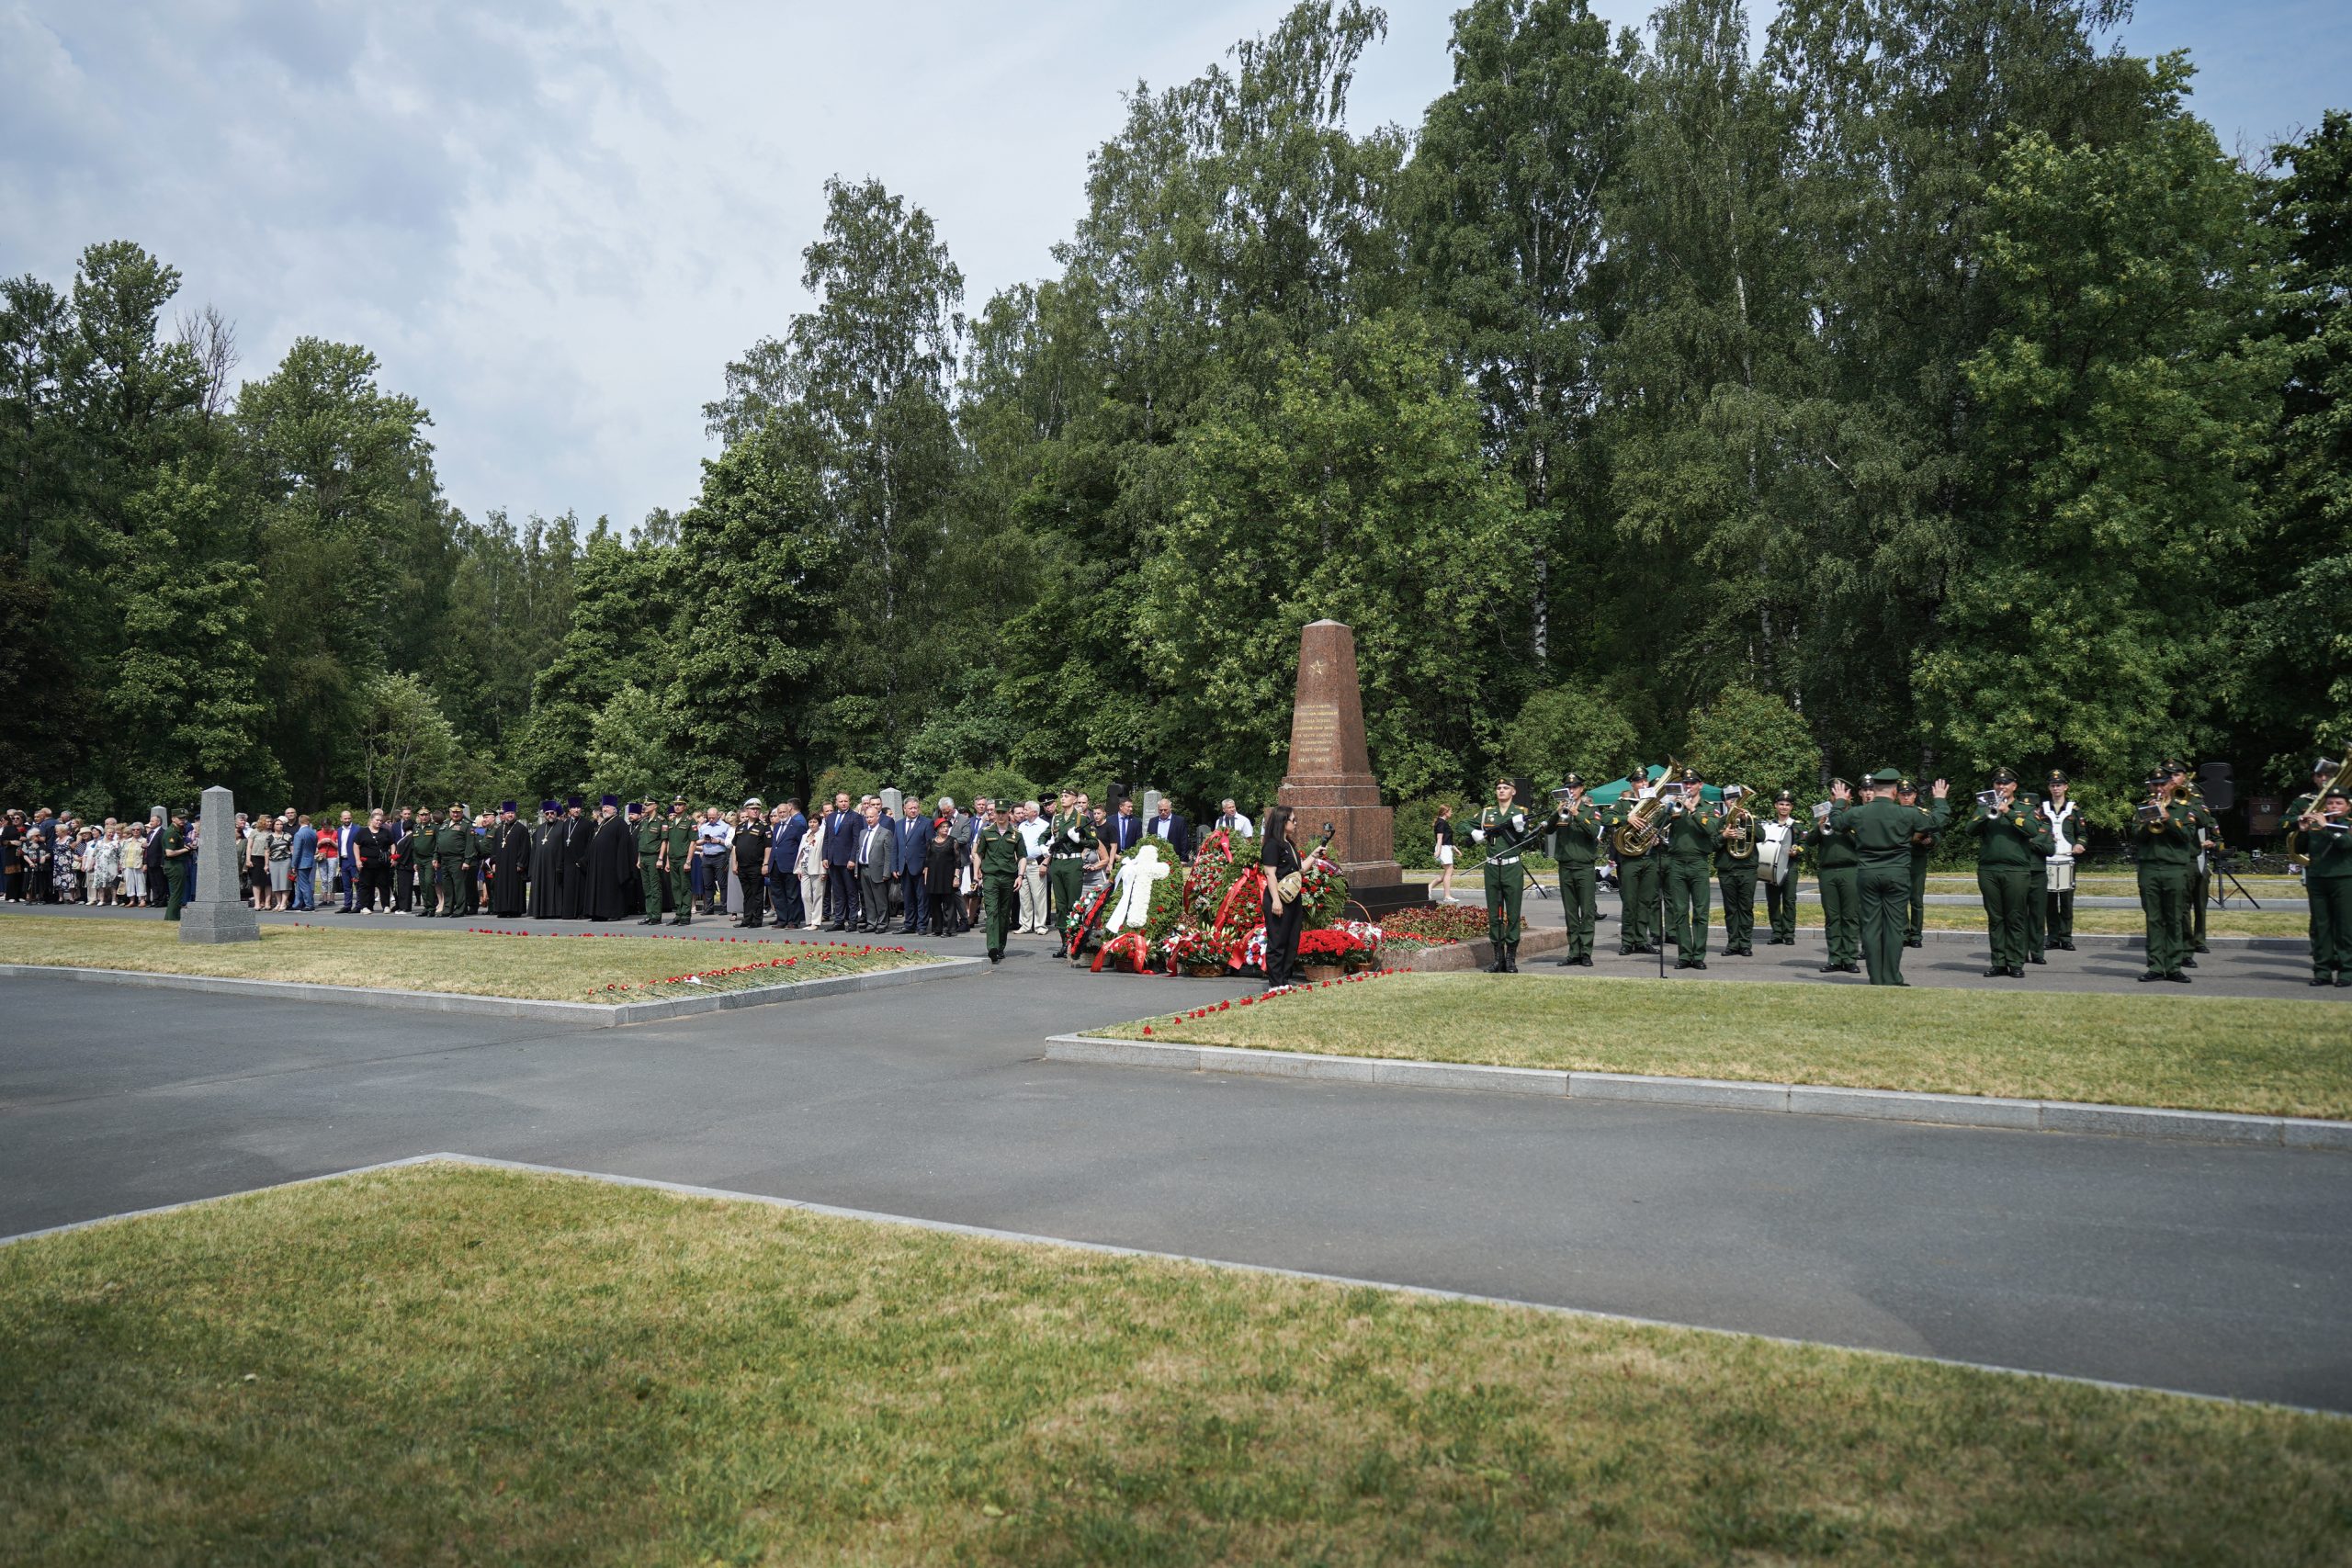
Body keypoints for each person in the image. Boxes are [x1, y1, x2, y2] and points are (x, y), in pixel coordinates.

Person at [1831, 769, 1951, 986]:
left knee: (1870, 926)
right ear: (1895, 791)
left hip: (1867, 874)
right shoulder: (1906, 813)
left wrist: (1840, 801)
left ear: (1874, 790)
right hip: (1897, 874)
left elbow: (1837, 824)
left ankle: (1876, 978)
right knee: (1895, 927)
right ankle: (1892, 977)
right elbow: (1937, 821)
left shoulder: (1859, 812)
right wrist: (1940, 800)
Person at [1967, 768, 2052, 978]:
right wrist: (1989, 813)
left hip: (2016, 870)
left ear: (2014, 786)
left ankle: (2015, 962)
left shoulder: (2025, 808)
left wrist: (2008, 812)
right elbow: (1970, 830)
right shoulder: (1983, 807)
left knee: (2015, 917)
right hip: (1989, 869)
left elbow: (2032, 830)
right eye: (1997, 783)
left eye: (2005, 783)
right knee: (1995, 918)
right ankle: (1999, 962)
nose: (2001, 786)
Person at [2129, 771, 2198, 983]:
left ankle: (2174, 966)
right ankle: (2156, 966)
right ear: (2150, 787)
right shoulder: (2143, 807)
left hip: (2175, 868)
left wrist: (2168, 820)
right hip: (2149, 868)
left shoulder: (2183, 808)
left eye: (2163, 785)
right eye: (2155, 785)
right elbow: (2136, 837)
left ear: (2170, 784)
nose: (2159, 789)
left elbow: (2187, 836)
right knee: (2154, 919)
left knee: (2175, 918)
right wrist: (2150, 820)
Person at [2290, 778, 2351, 986]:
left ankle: (2346, 972)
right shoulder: (2316, 825)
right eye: (2330, 803)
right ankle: (2322, 971)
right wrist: (2303, 830)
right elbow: (2298, 849)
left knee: (2344, 928)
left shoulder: (2348, 825)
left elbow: (2344, 844)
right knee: (2320, 927)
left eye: (2338, 803)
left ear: (2348, 806)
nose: (2333, 806)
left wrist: (2326, 827)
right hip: (2317, 880)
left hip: (2343, 879)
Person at [1657, 768, 1722, 970]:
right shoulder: (1675, 806)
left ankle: (1698, 955)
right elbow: (1656, 825)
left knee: (1701, 912)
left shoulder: (1709, 808)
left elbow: (1712, 829)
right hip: (1676, 863)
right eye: (1686, 783)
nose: (1688, 786)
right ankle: (1684, 955)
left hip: (1698, 863)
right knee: (1680, 912)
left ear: (1700, 785)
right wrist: (1667, 808)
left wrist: (1692, 810)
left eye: (1692, 783)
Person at [1470, 778, 1532, 973]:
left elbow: (1528, 840)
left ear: (1513, 792)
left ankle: (1511, 959)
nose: (1501, 791)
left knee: (1513, 914)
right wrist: (1474, 832)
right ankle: (1498, 959)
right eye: (1498, 788)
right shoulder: (1487, 812)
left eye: (1506, 788)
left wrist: (1521, 829)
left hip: (1512, 868)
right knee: (1494, 915)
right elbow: (1464, 824)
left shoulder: (1521, 812)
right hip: (1491, 868)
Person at [1605, 765, 1661, 955]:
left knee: (1646, 901)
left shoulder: (1655, 803)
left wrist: (1658, 835)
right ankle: (1627, 941)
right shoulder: (1623, 803)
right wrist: (1626, 818)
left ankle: (1642, 940)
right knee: (1630, 902)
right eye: (1638, 781)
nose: (1643, 783)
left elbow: (1664, 823)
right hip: (1629, 859)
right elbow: (1606, 818)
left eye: (1645, 780)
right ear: (1632, 784)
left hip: (1650, 858)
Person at [1546, 776, 1602, 966]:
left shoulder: (1590, 810)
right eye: (1568, 787)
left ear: (1582, 789)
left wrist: (1577, 813)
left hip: (1584, 867)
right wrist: (1557, 812)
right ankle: (1573, 952)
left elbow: (1594, 832)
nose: (1572, 790)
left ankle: (1586, 952)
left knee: (1587, 912)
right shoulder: (1561, 810)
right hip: (1565, 866)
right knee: (1570, 912)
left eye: (1575, 787)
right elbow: (1547, 830)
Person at [1259, 806, 1304, 990]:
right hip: (1278, 899)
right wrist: (1276, 901)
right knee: (1277, 941)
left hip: (1293, 898)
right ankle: (1275, 984)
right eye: (1293, 820)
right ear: (1283, 822)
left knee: (1292, 941)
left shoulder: (1290, 845)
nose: (1295, 823)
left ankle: (1284, 980)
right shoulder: (1272, 845)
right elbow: (1270, 874)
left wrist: (1315, 855)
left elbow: (1299, 871)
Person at [1713, 784, 1758, 958]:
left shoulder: (1750, 817)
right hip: (1726, 869)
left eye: (1735, 799)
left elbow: (1761, 836)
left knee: (1746, 908)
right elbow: (1711, 845)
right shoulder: (1719, 821)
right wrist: (1724, 836)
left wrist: (1748, 820)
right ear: (1724, 802)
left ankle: (1745, 944)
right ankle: (1733, 943)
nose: (1732, 802)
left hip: (1747, 869)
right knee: (1730, 909)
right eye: (1729, 799)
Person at [2038, 772, 2083, 950]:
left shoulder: (2074, 809)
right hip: (2048, 859)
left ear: (2066, 787)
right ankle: (2053, 937)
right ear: (2049, 788)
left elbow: (2083, 834)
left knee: (2066, 902)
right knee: (2049, 902)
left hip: (2066, 858)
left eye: (2059, 785)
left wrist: (2080, 844)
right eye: (2052, 785)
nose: (2056, 788)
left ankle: (2066, 937)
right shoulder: (2041, 808)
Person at [976, 802, 1023, 963]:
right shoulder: (986, 832)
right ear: (994, 813)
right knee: (991, 911)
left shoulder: (1016, 834)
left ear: (1009, 813)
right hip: (991, 877)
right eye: (998, 812)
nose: (1001, 815)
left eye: (1004, 812)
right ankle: (992, 947)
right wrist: (977, 871)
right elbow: (979, 853)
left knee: (1004, 913)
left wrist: (1020, 876)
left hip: (1009, 877)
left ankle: (1001, 946)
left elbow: (1022, 856)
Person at [1046, 793, 1090, 932]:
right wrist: (1044, 846)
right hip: (1057, 863)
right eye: (1062, 796)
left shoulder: (1081, 819)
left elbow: (1094, 842)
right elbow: (1045, 836)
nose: (1062, 798)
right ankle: (1064, 941)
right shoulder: (1056, 819)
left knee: (1073, 904)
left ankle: (1074, 938)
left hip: (1073, 863)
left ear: (1075, 799)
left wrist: (1079, 840)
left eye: (1066, 796)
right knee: (1060, 904)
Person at [853, 799, 893, 932]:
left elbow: (888, 855)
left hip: (878, 870)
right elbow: (859, 851)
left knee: (880, 899)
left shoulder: (885, 832)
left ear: (877, 817)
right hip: (864, 868)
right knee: (868, 899)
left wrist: (886, 872)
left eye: (871, 817)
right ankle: (871, 922)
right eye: (867, 817)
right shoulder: (863, 832)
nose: (869, 819)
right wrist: (857, 870)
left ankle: (882, 924)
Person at [821, 792, 859, 931]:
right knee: (837, 893)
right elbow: (827, 838)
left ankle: (853, 921)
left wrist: (852, 859)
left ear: (849, 802)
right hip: (833, 860)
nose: (844, 803)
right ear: (836, 802)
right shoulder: (830, 817)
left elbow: (856, 840)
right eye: (841, 801)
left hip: (847, 860)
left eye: (846, 801)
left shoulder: (855, 817)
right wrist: (825, 857)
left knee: (851, 892)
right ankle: (839, 921)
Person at [766, 798, 805, 928]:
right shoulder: (777, 826)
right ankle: (782, 919)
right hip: (775, 864)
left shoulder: (797, 825)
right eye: (780, 813)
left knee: (792, 894)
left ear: (789, 810)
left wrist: (800, 865)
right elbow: (775, 845)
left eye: (784, 812)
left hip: (790, 865)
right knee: (778, 894)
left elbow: (801, 846)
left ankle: (793, 921)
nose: (782, 814)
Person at [895, 796, 931, 934]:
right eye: (910, 808)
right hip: (903, 867)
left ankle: (922, 925)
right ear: (904, 809)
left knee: (922, 897)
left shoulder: (926, 823)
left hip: (920, 867)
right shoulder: (898, 824)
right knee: (908, 897)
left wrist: (927, 866)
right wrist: (895, 866)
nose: (913, 810)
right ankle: (909, 924)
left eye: (915, 808)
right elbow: (895, 847)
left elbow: (930, 847)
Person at [1014, 800, 1050, 934]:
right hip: (1022, 864)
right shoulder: (1022, 826)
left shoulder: (1044, 825)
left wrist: (1045, 863)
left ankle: (1040, 926)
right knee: (1024, 896)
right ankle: (1025, 924)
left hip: (1037, 863)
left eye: (1026, 809)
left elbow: (1050, 847)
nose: (1023, 811)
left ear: (1034, 812)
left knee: (1038, 896)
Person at [923, 816, 960, 936]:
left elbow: (957, 861)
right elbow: (927, 861)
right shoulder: (931, 842)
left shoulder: (952, 841)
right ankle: (936, 929)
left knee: (948, 904)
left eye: (947, 827)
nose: (945, 829)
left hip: (947, 876)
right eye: (942, 827)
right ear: (937, 829)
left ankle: (948, 929)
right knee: (935, 904)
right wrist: (926, 879)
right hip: (933, 877)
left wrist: (956, 877)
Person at [351, 808, 390, 913]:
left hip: (382, 863)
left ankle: (386, 905)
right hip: (367, 863)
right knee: (366, 885)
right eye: (377, 820)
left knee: (384, 885)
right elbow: (356, 845)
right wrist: (357, 860)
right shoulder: (363, 832)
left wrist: (392, 856)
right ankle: (365, 906)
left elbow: (392, 843)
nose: (379, 822)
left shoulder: (385, 831)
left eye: (380, 821)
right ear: (372, 820)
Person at [794, 810, 826, 931]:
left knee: (817, 895)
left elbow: (823, 854)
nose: (812, 824)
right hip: (805, 868)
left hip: (817, 868)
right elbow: (800, 854)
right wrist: (799, 869)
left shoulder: (822, 835)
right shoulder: (805, 836)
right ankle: (809, 920)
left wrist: (824, 871)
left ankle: (816, 922)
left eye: (815, 822)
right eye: (810, 822)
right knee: (805, 895)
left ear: (819, 823)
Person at [160, 809, 191, 919]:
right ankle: (171, 918)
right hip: (174, 865)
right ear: (173, 818)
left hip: (177, 864)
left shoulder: (178, 830)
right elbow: (170, 852)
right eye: (180, 818)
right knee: (176, 894)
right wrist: (186, 849)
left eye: (184, 818)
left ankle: (174, 917)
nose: (183, 820)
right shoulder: (172, 832)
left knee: (178, 893)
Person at [1147, 797, 1191, 862]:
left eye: (1165, 810)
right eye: (1161, 810)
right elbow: (1149, 839)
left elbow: (1184, 841)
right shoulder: (1152, 821)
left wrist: (1183, 859)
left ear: (1170, 809)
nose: (1163, 812)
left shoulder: (1179, 821)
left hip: (1174, 858)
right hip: (1156, 859)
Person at [1431, 805, 1460, 903]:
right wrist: (1438, 851)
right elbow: (1439, 838)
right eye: (1450, 811)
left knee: (1449, 872)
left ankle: (1429, 886)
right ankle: (1447, 896)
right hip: (1443, 848)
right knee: (1449, 872)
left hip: (1446, 847)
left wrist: (1455, 848)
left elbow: (1447, 839)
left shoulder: (1443, 822)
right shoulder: (1441, 823)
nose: (1451, 813)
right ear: (1445, 812)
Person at [289, 814, 318, 911]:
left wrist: (293, 865)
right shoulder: (313, 833)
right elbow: (314, 848)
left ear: (299, 822)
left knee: (304, 883)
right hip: (310, 860)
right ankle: (297, 904)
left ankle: (309, 904)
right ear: (308, 822)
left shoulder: (299, 834)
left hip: (302, 862)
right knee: (300, 883)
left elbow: (296, 851)